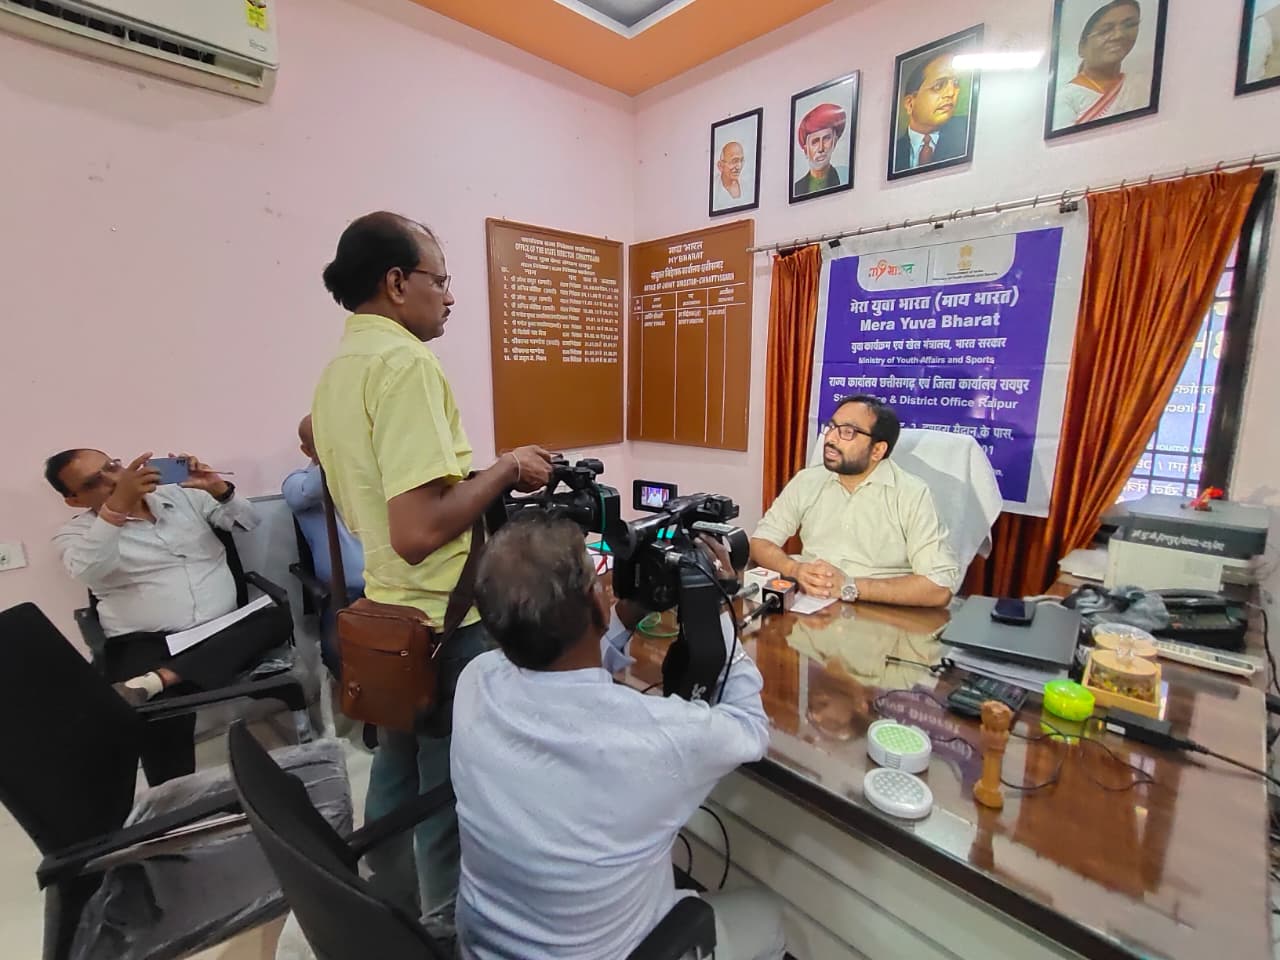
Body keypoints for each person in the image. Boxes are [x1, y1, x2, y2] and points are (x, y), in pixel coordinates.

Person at [310, 211, 554, 938]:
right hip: (446, 623)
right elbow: (418, 532)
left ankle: (384, 911)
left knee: (395, 771)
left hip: (385, 613)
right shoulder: (406, 364)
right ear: (396, 282)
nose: (449, 297)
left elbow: (334, 456)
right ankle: (445, 928)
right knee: (451, 787)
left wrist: (470, 480)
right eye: (440, 280)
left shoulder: (339, 370)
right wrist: (507, 469)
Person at [452, 511, 786, 960]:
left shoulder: (475, 681)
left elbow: (561, 668)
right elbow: (749, 727)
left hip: (485, 947)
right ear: (596, 600)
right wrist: (714, 610)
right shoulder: (650, 737)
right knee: (766, 912)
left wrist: (627, 614)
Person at [47, 448, 288, 784]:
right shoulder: (74, 535)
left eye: (112, 467)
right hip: (147, 642)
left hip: (222, 628)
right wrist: (116, 508)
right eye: (94, 482)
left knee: (277, 617)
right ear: (74, 500)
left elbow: (248, 521)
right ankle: (175, 796)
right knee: (160, 713)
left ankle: (161, 678)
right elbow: (89, 570)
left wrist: (217, 488)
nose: (114, 479)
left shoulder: (183, 496)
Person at [749, 395, 960, 607]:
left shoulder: (912, 494)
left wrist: (850, 587)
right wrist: (794, 570)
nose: (831, 438)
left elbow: (939, 587)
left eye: (848, 432)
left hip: (880, 613)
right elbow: (760, 542)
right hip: (811, 606)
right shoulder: (807, 481)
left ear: (877, 450)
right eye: (832, 426)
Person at [281, 414, 364, 674]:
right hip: (345, 595)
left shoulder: (368, 476)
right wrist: (341, 453)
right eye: (325, 440)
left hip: (392, 587)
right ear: (307, 450)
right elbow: (303, 494)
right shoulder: (298, 481)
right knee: (342, 659)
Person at [1053, 1, 1149, 129]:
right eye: (1105, 30)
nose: (1119, 35)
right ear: (1082, 46)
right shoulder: (1066, 99)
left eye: (1129, 25)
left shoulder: (1141, 85)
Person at [893, 49, 969, 171]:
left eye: (955, 83)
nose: (951, 93)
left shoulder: (966, 130)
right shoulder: (895, 151)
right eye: (938, 86)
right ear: (910, 104)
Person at [793, 102, 848, 196]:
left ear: (834, 142)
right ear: (806, 150)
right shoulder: (797, 188)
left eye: (826, 138)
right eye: (815, 142)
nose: (821, 148)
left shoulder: (844, 176)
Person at [712, 140, 746, 209]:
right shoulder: (714, 187)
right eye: (734, 161)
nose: (739, 167)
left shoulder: (748, 185)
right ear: (720, 166)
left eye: (741, 161)